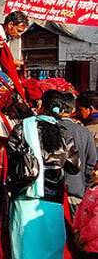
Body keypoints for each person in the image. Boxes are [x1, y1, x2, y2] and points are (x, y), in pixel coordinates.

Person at [7, 89, 80, 259]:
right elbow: (74, 167)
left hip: (25, 197)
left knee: (25, 251)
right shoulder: (64, 134)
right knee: (52, 251)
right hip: (52, 202)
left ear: (41, 104)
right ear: (60, 109)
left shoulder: (22, 128)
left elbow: (11, 157)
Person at [59, 92, 97, 214]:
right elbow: (91, 163)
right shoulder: (84, 132)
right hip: (78, 189)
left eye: (81, 110)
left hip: (59, 191)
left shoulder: (89, 130)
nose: (79, 114)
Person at [73, 163, 98, 255]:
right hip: (86, 245)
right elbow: (79, 211)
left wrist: (83, 237)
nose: (95, 173)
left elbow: (96, 223)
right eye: (94, 169)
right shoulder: (90, 190)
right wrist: (76, 230)